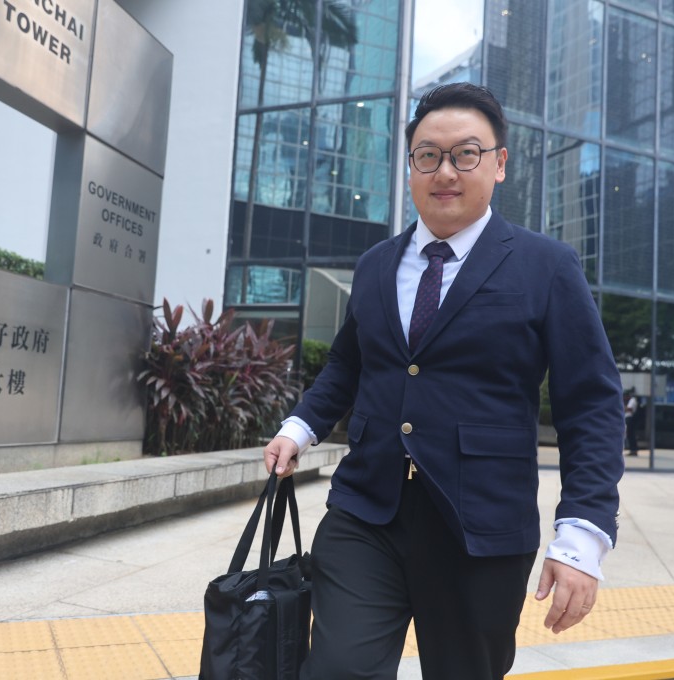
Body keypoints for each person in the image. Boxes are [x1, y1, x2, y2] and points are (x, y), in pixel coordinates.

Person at [263, 83, 625, 680]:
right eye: (428, 155)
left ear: (499, 163)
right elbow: (349, 364)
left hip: (479, 526)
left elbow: (590, 405)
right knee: (337, 669)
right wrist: (299, 428)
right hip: (365, 513)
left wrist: (583, 536)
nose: (446, 171)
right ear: (411, 165)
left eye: (466, 154)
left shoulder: (546, 266)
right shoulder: (376, 264)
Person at [624, 388, 639, 456]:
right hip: (629, 418)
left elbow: (629, 409)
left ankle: (633, 450)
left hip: (630, 418)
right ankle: (633, 450)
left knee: (631, 435)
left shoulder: (632, 400)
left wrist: (622, 407)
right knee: (630, 435)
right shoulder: (631, 400)